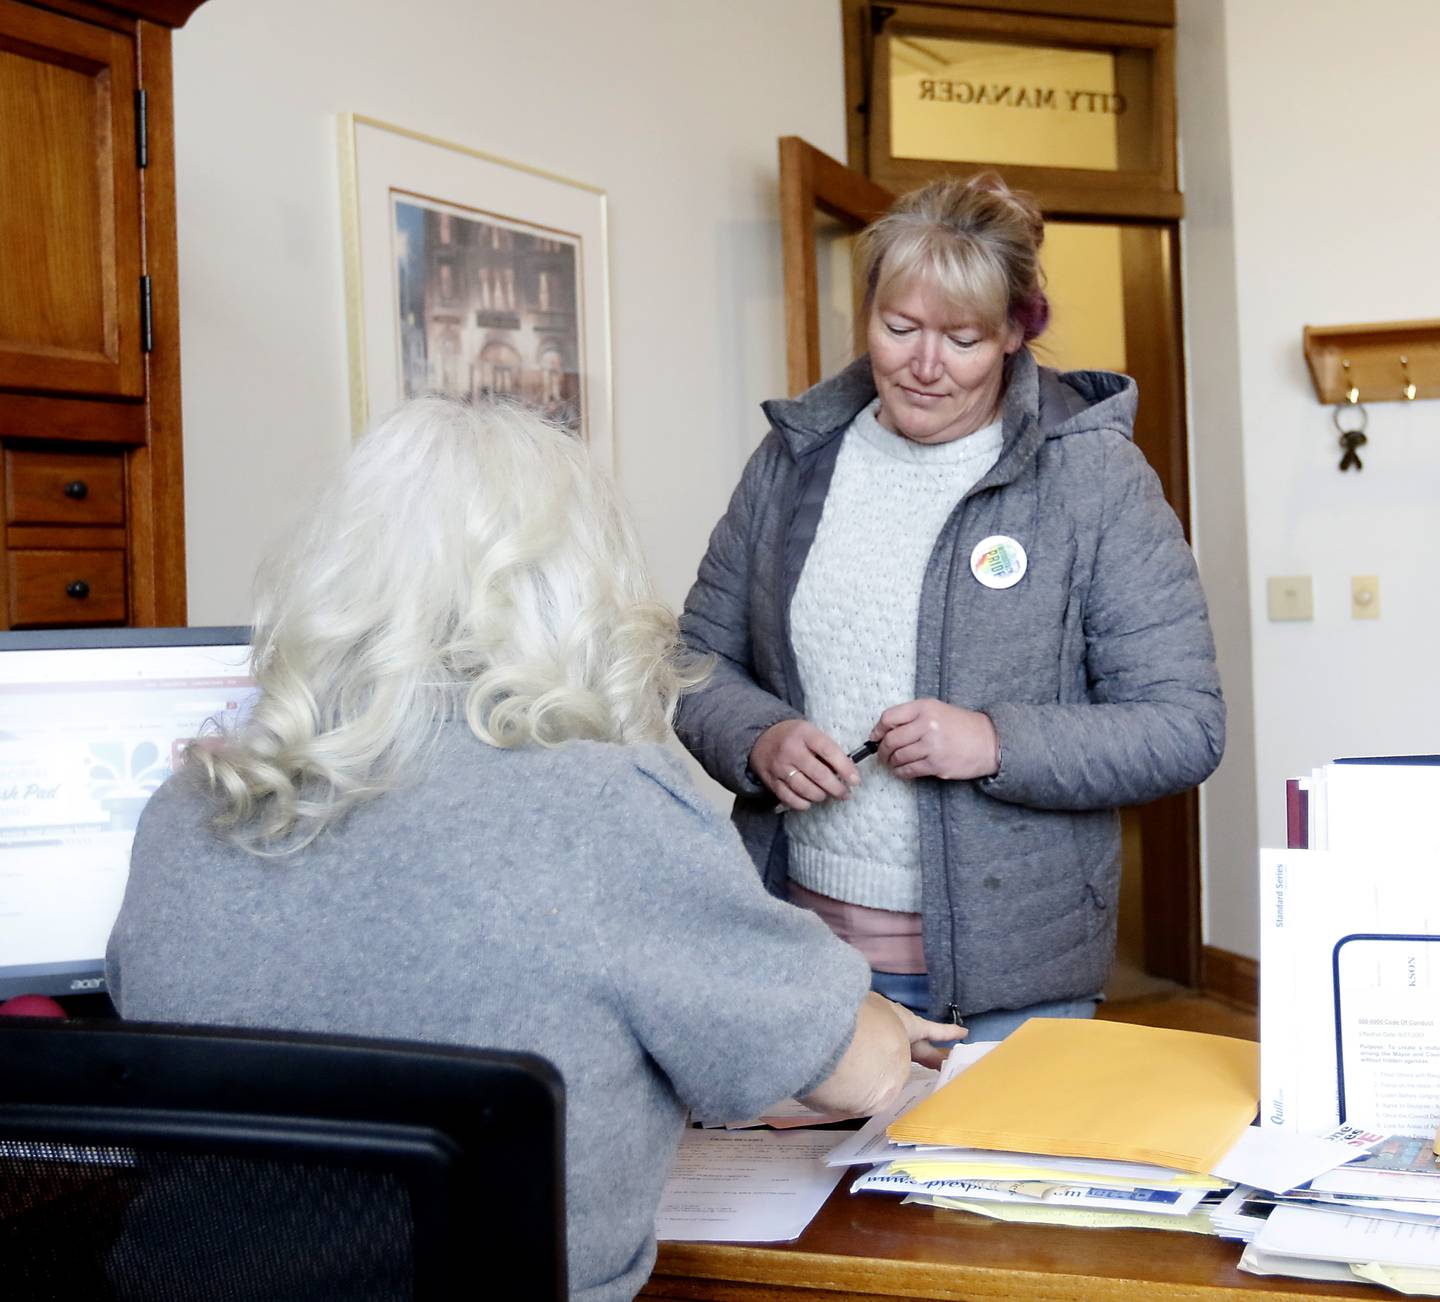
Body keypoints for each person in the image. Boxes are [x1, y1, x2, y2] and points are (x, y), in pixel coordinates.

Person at [105, 395, 962, 1302]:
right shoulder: (601, 806)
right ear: (574, 595)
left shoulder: (189, 807)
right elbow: (859, 1076)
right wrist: (872, 1023)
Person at [674, 172, 1225, 1041]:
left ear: (1015, 332)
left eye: (963, 339)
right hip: (805, 955)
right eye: (899, 329)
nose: (924, 366)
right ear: (869, 314)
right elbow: (698, 658)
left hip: (1015, 976)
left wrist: (993, 742)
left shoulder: (1092, 479)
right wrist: (758, 737)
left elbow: (1184, 725)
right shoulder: (795, 460)